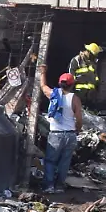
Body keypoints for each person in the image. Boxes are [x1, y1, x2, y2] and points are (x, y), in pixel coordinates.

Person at [38, 66, 83, 194]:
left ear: (59, 83)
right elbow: (79, 119)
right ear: (72, 85)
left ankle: (49, 186)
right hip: (70, 135)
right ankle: (59, 186)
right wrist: (77, 130)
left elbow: (43, 86)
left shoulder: (53, 94)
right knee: (64, 162)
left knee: (51, 161)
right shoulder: (75, 99)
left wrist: (42, 73)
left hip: (55, 135)